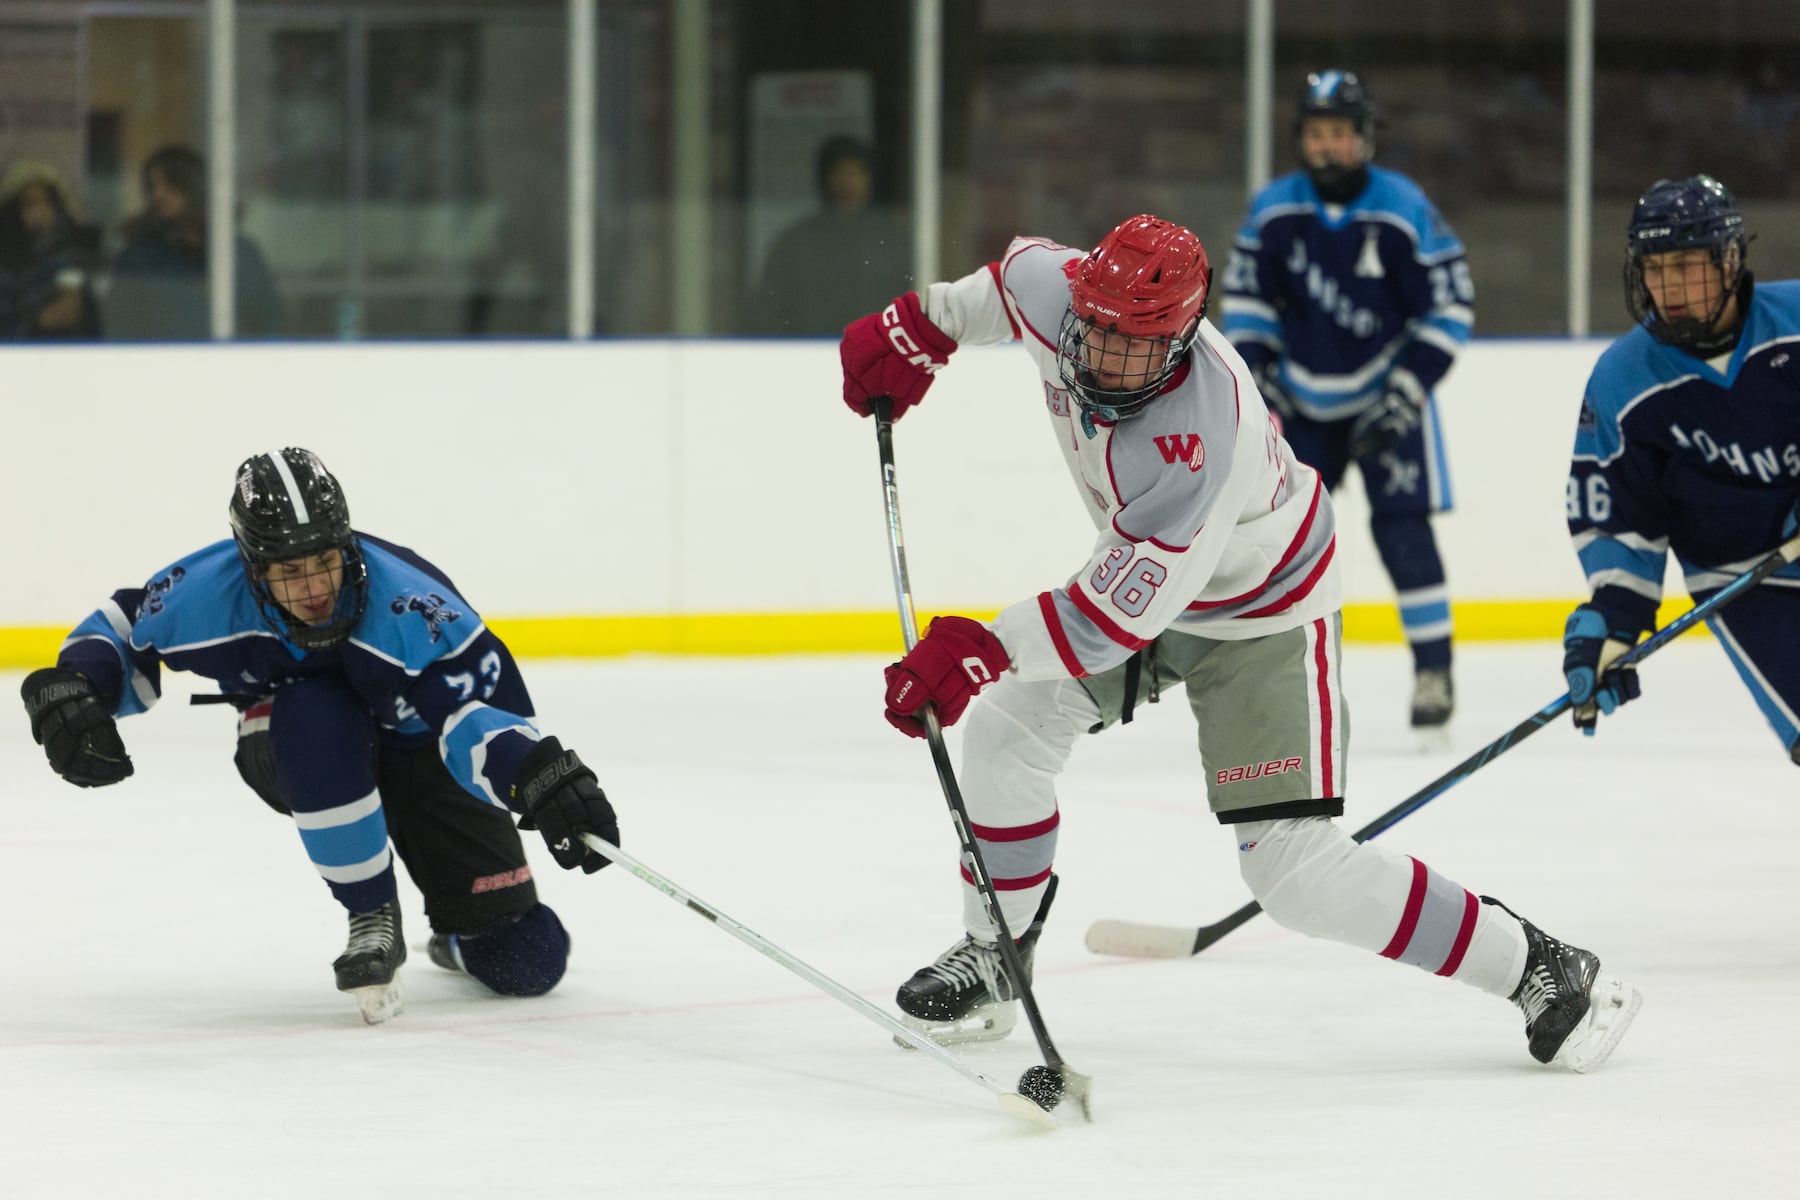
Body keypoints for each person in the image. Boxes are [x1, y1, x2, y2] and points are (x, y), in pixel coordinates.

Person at [836, 213, 1639, 1072]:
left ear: (1179, 342)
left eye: (1132, 345)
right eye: (1094, 329)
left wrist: (977, 648)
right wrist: (924, 325)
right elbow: (1000, 285)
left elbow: (1109, 622)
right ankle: (997, 953)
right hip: (1146, 575)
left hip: (1264, 608)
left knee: (1295, 874)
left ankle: (1540, 968)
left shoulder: (1202, 438)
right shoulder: (1060, 289)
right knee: (1005, 731)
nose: (1103, 356)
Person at [19, 448, 620, 1023]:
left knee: (528, 960)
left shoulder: (415, 604)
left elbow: (475, 715)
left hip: (422, 751)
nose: (314, 588)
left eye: (326, 561)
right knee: (313, 709)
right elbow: (124, 627)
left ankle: (453, 941)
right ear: (253, 569)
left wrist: (536, 775)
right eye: (289, 570)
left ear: (348, 547)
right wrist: (76, 688)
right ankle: (371, 913)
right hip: (300, 739)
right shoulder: (208, 591)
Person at [1221, 70, 1474, 736]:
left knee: (1403, 532)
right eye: (1315, 134)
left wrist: (1406, 389)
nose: (1326, 146)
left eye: (1338, 133)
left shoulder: (1402, 205)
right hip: (1302, 405)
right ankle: (1283, 678)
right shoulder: (1274, 209)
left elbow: (1449, 304)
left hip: (1383, 398)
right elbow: (1247, 303)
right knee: (1287, 544)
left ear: (1363, 138)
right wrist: (1261, 378)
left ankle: (1434, 672)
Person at [1562, 175, 1800, 752]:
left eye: (1686, 265)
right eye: (1654, 267)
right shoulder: (1624, 378)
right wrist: (1617, 618)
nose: (1668, 287)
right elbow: (1619, 512)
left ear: (1730, 260)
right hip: (1744, 582)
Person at [106, 144, 285, 340]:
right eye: (152, 186)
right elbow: (121, 326)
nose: (158, 194)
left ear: (192, 186)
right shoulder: (141, 255)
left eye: (169, 184)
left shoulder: (239, 253)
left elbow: (268, 322)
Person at [748, 135, 912, 335]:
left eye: (858, 173)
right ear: (824, 178)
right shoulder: (796, 243)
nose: (848, 183)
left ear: (871, 178)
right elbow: (770, 313)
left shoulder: (892, 241)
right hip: (805, 354)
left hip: (877, 352)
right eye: (840, 173)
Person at [0, 159, 102, 339]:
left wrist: (34, 321)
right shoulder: (7, 264)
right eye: (30, 203)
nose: (40, 211)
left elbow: (68, 309)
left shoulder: (69, 258)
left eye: (46, 202)